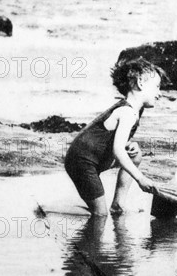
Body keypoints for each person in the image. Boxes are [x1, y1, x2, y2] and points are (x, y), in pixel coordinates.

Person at [65, 57, 165, 216]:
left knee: (136, 155)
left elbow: (113, 139)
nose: (160, 94)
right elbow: (118, 150)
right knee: (100, 215)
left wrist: (129, 144)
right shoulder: (127, 112)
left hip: (94, 157)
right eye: (157, 87)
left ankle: (118, 205)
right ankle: (46, 208)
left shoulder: (135, 110)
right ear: (140, 82)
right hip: (82, 162)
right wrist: (140, 179)